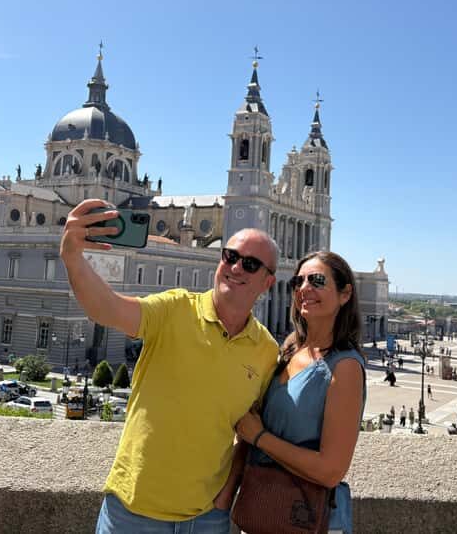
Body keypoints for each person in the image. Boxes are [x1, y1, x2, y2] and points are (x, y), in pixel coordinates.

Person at [60, 199, 279, 533]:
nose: (235, 268)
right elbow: (108, 309)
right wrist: (72, 258)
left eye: (250, 264)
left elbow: (248, 431)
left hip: (206, 520)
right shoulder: (175, 308)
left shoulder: (266, 351)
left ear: (268, 282)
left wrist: (224, 498)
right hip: (133, 514)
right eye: (230, 256)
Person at [235, 250, 366, 534]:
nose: (305, 288)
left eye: (317, 281)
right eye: (299, 282)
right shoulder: (290, 349)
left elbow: (330, 471)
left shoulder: (345, 368)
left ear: (345, 294)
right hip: (262, 507)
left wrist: (259, 437)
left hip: (306, 518)